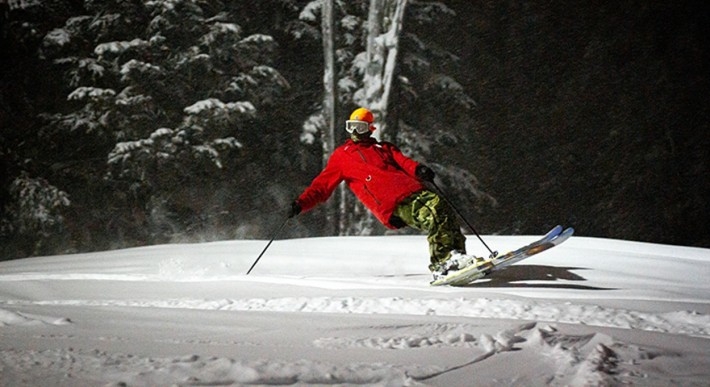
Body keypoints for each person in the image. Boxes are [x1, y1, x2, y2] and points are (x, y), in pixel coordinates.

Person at [289, 107, 478, 279]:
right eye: (352, 127)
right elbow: (322, 186)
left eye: (360, 127)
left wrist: (418, 170)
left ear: (370, 129)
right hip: (393, 203)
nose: (355, 132)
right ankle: (442, 263)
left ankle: (457, 256)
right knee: (434, 212)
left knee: (444, 211)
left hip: (414, 190)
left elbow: (404, 162)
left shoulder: (384, 148)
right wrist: (301, 203)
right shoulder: (342, 155)